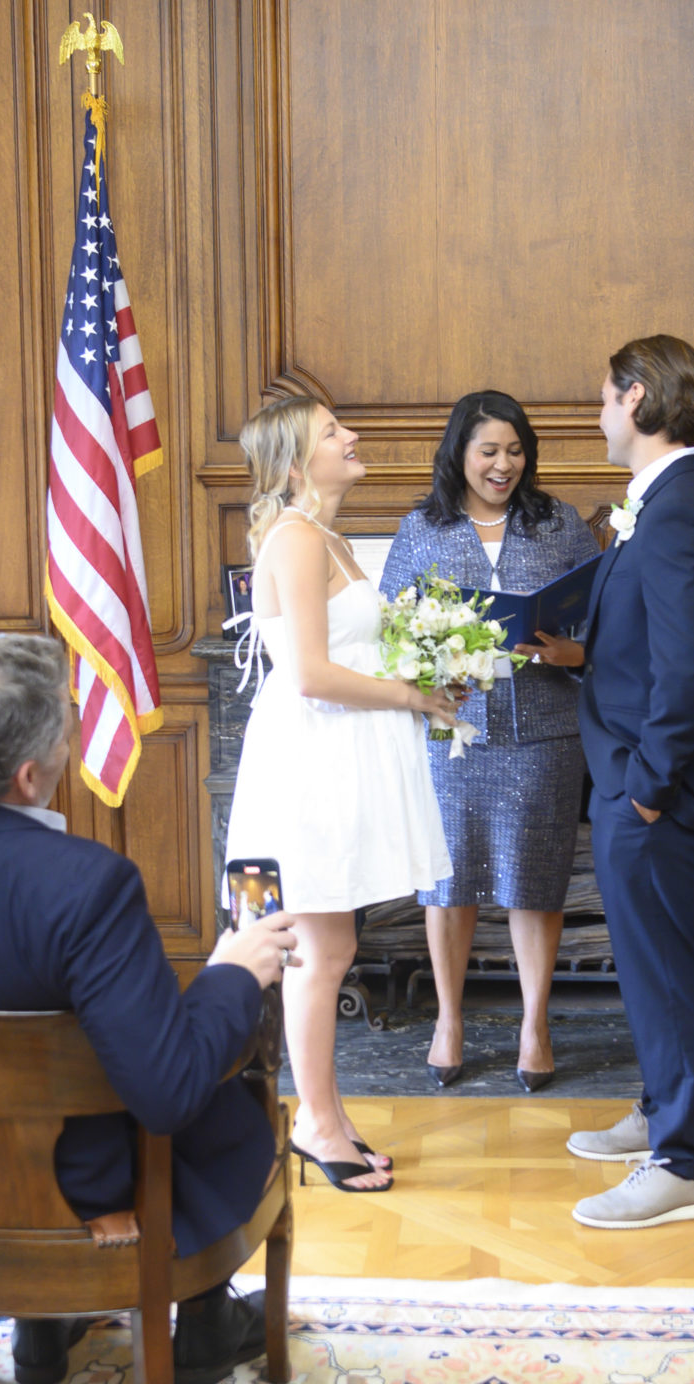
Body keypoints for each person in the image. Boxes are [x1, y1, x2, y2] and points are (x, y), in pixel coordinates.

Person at [0, 633, 301, 1384]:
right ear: (29, 776)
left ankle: (42, 1326)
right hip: (92, 1197)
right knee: (219, 1082)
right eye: (68, 736)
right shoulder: (89, 884)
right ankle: (200, 1318)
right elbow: (165, 1093)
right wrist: (231, 972)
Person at [225, 396, 457, 1192]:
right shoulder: (293, 537)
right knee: (316, 952)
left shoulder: (327, 535)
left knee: (331, 949)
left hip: (333, 759)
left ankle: (329, 1113)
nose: (352, 438)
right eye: (333, 433)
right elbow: (311, 675)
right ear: (295, 465)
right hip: (305, 768)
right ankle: (316, 1124)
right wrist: (412, 697)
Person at [563, 335, 694, 1229]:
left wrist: (646, 785)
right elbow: (642, 645)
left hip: (652, 791)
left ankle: (684, 1162)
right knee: (646, 968)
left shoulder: (677, 510)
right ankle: (658, 1108)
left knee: (668, 972)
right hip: (630, 778)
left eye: (603, 397)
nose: (598, 413)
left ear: (637, 398)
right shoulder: (665, 502)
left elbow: (688, 669)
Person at [378, 391, 599, 1092]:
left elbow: (606, 617)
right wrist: (430, 673)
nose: (504, 465)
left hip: (545, 732)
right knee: (449, 883)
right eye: (488, 452)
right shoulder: (422, 528)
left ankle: (535, 1025)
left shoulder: (560, 524)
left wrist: (572, 654)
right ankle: (449, 1020)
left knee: (536, 884)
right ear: (459, 454)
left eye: (514, 450)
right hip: (453, 734)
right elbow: (389, 630)